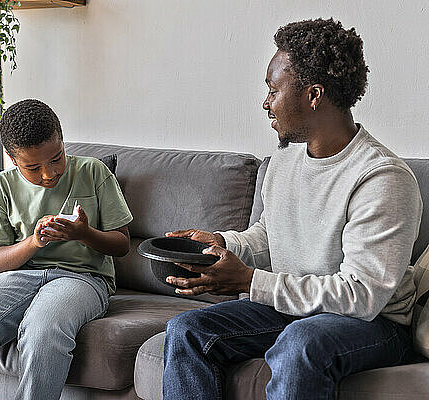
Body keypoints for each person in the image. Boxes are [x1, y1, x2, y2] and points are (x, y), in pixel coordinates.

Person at [162, 18, 423, 400]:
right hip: (296, 307)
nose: (265, 102)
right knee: (186, 332)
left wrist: (250, 282)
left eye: (273, 89)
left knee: (301, 342)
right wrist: (222, 243)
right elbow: (271, 233)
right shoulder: (284, 161)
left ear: (313, 95)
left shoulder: (382, 178)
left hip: (373, 323)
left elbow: (362, 297)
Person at [0, 99, 133, 400]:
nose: (48, 174)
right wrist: (33, 241)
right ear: (12, 159)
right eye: (33, 167)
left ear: (62, 141)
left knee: (43, 330)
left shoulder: (93, 172)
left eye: (56, 158)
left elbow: (122, 244)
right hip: (21, 275)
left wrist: (83, 234)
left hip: (84, 278)